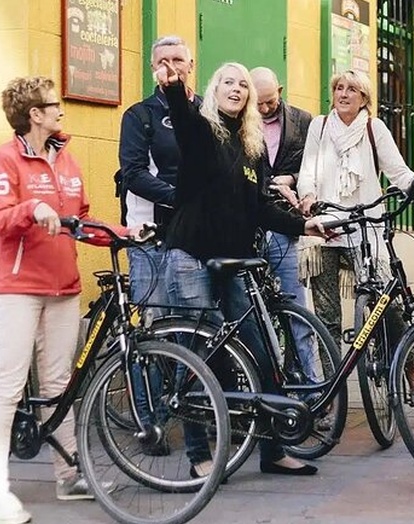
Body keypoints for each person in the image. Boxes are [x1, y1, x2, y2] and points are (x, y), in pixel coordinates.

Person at [156, 60, 326, 476]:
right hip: (191, 258)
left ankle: (273, 452)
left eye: (243, 84)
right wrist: (176, 90)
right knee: (198, 356)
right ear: (214, 90)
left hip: (232, 263)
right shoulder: (200, 132)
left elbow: (261, 208)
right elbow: (181, 121)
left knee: (259, 349)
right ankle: (199, 455)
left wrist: (302, 223)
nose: (236, 88)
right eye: (228, 82)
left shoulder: (252, 146)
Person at [0, 76, 134, 523]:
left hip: (63, 286)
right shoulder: (5, 159)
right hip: (19, 289)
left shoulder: (65, 158)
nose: (61, 110)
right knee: (8, 387)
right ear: (35, 114)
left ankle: (68, 476)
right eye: (54, 105)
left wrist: (125, 234)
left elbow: (80, 220)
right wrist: (32, 209)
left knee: (59, 385)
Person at [296, 69, 414, 349]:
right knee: (326, 315)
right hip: (325, 228)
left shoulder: (374, 128)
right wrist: (307, 196)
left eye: (352, 89)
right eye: (339, 88)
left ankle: (406, 366)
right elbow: (307, 171)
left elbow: (398, 171)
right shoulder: (319, 126)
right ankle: (333, 383)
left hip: (365, 227)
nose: (343, 94)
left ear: (364, 98)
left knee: (384, 301)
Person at [118, 36, 201, 457]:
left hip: (195, 236)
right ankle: (148, 422)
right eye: (163, 60)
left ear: (192, 65)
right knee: (152, 327)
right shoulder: (140, 115)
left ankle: (196, 419)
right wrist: (179, 197)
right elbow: (132, 172)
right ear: (153, 67)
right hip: (151, 236)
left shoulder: (204, 109)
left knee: (193, 327)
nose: (171, 66)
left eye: (179, 60)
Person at [249, 66, 319, 382]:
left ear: (280, 89)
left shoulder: (304, 122)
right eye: (258, 104)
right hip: (249, 224)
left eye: (269, 102)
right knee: (252, 312)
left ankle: (312, 384)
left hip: (283, 222)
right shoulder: (240, 122)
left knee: (294, 306)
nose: (264, 109)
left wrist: (292, 179)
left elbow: (312, 165)